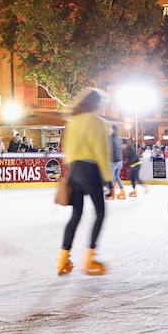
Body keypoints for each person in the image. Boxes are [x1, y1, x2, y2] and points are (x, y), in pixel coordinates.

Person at [56, 88, 111, 277]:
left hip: (74, 171)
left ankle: (63, 258)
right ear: (97, 104)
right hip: (90, 170)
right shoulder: (97, 123)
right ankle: (89, 260)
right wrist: (108, 179)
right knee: (101, 212)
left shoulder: (72, 121)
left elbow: (67, 151)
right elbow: (100, 152)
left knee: (76, 214)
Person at [108, 126, 126, 200]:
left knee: (110, 177)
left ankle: (112, 193)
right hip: (120, 160)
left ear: (113, 130)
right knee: (116, 176)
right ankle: (123, 192)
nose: (109, 130)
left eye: (110, 129)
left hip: (114, 161)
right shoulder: (119, 138)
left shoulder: (110, 137)